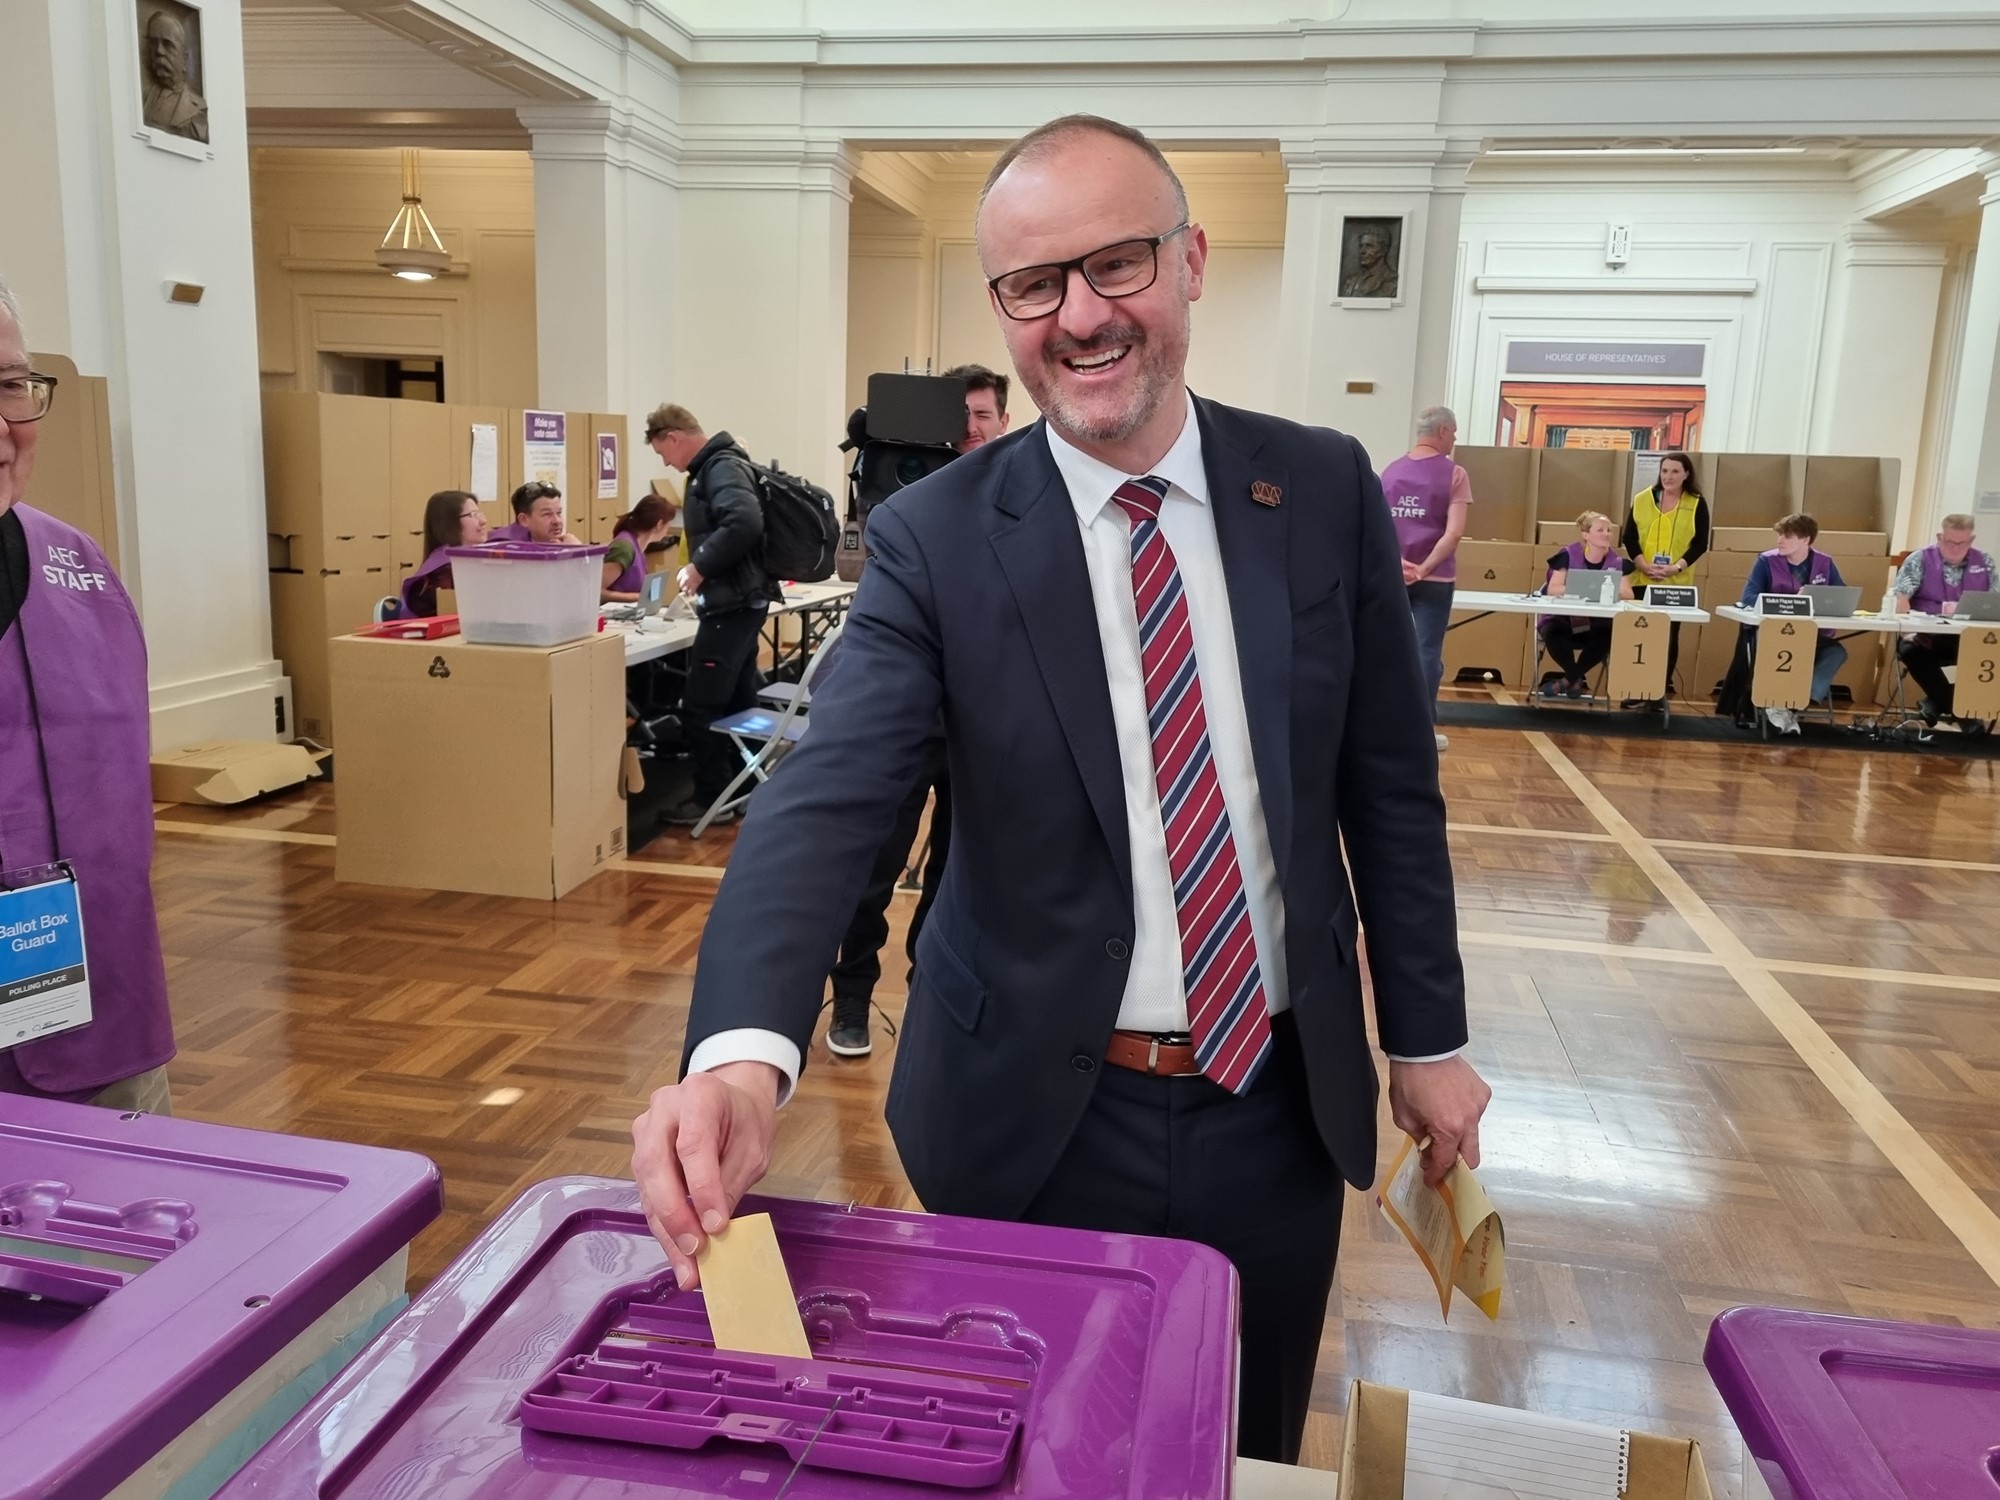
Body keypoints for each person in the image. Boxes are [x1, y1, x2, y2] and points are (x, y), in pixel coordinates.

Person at [630, 115, 1489, 1465]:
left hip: (1273, 1099)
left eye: (1118, 266)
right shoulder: (935, 539)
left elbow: (1388, 787)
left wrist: (1427, 1039)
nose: (1082, 318)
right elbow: (831, 799)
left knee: (1236, 1449)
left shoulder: (1318, 488)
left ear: (1192, 259)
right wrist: (740, 1058)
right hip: (1025, 1116)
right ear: (1002, 307)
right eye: (1037, 285)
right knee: (1014, 1457)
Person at [0, 274, 175, 1112]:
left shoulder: (75, 565)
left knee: (133, 1230)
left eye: (9, 387)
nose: (3, 426)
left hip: (103, 1018)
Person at [823, 366, 1007, 1057]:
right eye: (960, 416)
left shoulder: (1028, 495)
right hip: (904, 723)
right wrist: (870, 464)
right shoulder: (900, 491)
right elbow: (853, 570)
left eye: (984, 415)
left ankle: (933, 996)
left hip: (984, 726)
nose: (971, 429)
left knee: (959, 878)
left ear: (1003, 421)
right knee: (872, 871)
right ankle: (850, 1002)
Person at [645, 403, 775, 827]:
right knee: (739, 698)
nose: (666, 462)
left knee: (700, 705)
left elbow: (743, 522)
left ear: (673, 437)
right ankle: (743, 787)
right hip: (742, 599)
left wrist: (699, 565)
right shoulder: (723, 464)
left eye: (663, 452)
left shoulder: (718, 467)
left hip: (732, 602)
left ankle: (710, 797)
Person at [1381, 405, 1471, 750]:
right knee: (1426, 653)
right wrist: (1425, 567)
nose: (1455, 439)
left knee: (1387, 650)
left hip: (1392, 575)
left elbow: (1379, 527)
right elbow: (1454, 533)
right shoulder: (1455, 474)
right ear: (1444, 431)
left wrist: (1400, 562)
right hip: (1436, 580)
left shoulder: (1390, 472)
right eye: (1455, 432)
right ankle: (1422, 731)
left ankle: (1384, 723)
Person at [1739, 513, 1848, 735]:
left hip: (1812, 635)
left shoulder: (1825, 563)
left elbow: (1840, 596)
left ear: (1806, 540)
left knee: (1837, 652)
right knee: (1780, 650)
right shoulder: (1765, 560)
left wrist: (1816, 599)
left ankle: (1797, 701)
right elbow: (1748, 596)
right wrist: (1790, 601)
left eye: (1787, 536)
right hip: (1774, 635)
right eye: (1779, 534)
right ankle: (1784, 705)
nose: (1779, 540)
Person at [1620, 451, 1710, 700]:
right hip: (1643, 578)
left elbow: (1700, 543)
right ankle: (1636, 688)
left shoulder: (1696, 502)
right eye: (1665, 471)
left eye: (1675, 471)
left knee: (1668, 638)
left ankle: (1659, 691)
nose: (1669, 476)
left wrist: (1675, 567)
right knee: (1641, 634)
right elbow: (1629, 537)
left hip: (1675, 582)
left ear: (1686, 474)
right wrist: (1643, 564)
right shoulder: (1642, 499)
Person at [1894, 512, 1995, 732]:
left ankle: (1934, 702)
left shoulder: (1985, 563)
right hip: (1926, 637)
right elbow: (1901, 601)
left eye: (1962, 543)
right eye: (1950, 542)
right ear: (1940, 537)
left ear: (1971, 540)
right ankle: (1964, 715)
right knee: (1910, 650)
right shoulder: (1919, 559)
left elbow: (1994, 603)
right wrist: (1907, 632)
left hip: (1969, 639)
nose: (1956, 547)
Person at [1537, 511, 1637, 699]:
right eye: (1600, 530)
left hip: (1596, 623)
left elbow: (1627, 594)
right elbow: (1553, 589)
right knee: (1552, 633)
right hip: (1564, 620)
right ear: (1585, 535)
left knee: (1607, 637)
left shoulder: (1617, 562)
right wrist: (1581, 590)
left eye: (1609, 530)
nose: (1606, 534)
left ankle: (1568, 680)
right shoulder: (1567, 555)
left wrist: (1605, 590)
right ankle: (1575, 678)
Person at [399, 489, 487, 618]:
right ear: (449, 523)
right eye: (472, 515)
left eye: (479, 513)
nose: (483, 521)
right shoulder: (442, 573)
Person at [140, 9, 209, 143]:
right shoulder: (143, 98)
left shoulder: (198, 109)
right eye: (154, 43)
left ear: (185, 58)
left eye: (167, 44)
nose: (159, 51)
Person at [602, 495, 679, 603]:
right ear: (659, 524)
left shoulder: (638, 547)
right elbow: (597, 591)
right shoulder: (624, 548)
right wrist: (639, 597)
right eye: (668, 524)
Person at [489, 481, 581, 544]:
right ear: (524, 520)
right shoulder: (505, 546)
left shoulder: (554, 542)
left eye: (559, 513)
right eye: (547, 514)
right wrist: (574, 552)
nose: (557, 521)